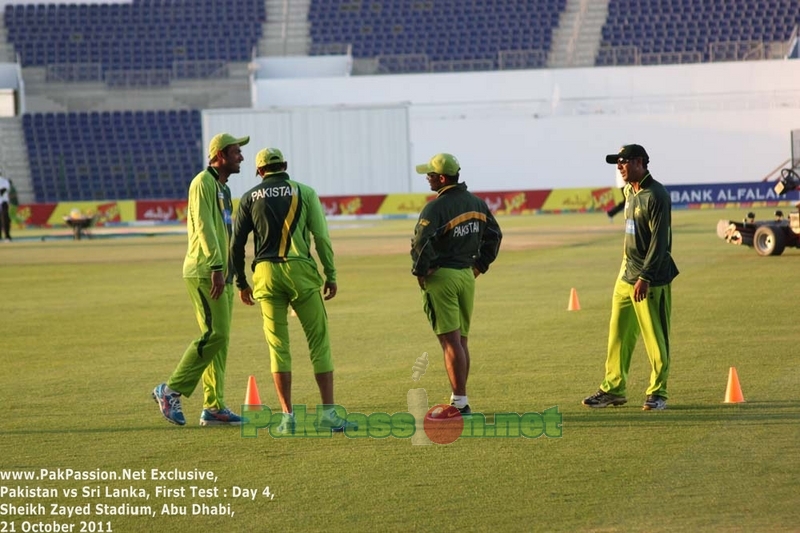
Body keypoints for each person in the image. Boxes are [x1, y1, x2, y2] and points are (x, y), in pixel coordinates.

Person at [230, 147, 354, 435]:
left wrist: (241, 283)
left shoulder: (249, 197)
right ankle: (328, 415)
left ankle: (288, 417)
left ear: (260, 171)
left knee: (278, 347)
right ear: (285, 166)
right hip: (301, 273)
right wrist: (330, 274)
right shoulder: (305, 192)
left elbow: (236, 244)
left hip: (266, 275)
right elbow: (321, 236)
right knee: (318, 343)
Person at [152, 133, 249, 426]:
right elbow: (206, 228)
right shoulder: (202, 183)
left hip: (222, 272)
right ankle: (169, 390)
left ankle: (214, 406)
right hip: (207, 270)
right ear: (219, 155)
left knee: (220, 341)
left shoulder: (222, 188)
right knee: (214, 335)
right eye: (235, 153)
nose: (241, 157)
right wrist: (217, 267)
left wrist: (234, 274)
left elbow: (226, 234)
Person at [583, 144, 679, 411]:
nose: (619, 167)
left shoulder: (656, 195)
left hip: (651, 278)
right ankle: (613, 389)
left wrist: (645, 276)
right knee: (618, 335)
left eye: (623, 161)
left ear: (640, 162)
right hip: (626, 275)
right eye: (617, 162)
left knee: (655, 338)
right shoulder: (630, 191)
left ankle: (658, 393)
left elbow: (660, 243)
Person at [411, 153, 502, 415]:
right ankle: (459, 398)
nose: (427, 178)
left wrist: (421, 270)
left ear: (441, 178)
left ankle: (460, 404)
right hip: (466, 276)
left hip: (443, 278)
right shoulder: (477, 202)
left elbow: (421, 242)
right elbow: (494, 236)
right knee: (461, 341)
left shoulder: (435, 207)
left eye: (429, 174)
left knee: (450, 343)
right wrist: (479, 266)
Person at [0, 171, 11, 242]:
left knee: (5, 219)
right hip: (3, 201)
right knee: (4, 219)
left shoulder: (4, 181)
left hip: (3, 201)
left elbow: (3, 190)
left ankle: (7, 236)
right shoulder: (5, 181)